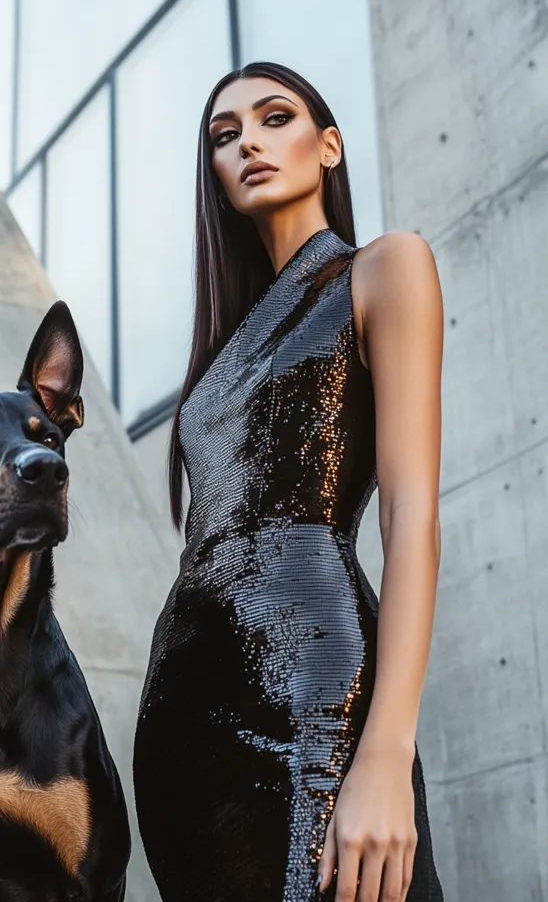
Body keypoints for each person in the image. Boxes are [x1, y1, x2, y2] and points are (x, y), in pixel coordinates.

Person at [132, 61, 445, 902]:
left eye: (274, 119)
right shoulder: (219, 355)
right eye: (225, 137)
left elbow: (411, 513)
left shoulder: (384, 269)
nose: (249, 144)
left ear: (328, 146)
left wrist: (387, 748)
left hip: (318, 689)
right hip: (185, 708)